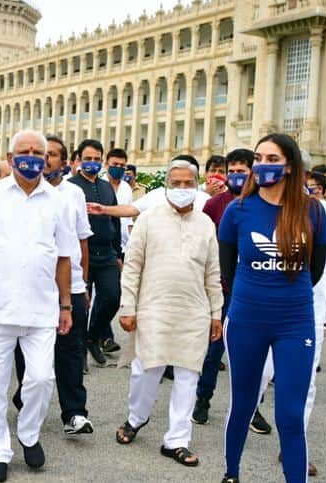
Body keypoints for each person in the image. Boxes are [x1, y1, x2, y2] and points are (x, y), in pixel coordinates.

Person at [0, 130, 75, 483]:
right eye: (25, 151)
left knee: (40, 378)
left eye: (40, 151)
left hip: (42, 309)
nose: (32, 156)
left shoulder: (57, 201)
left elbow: (64, 257)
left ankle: (29, 433)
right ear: (10, 155)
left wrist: (66, 306)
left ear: (49, 157)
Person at [219, 134, 326, 483]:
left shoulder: (313, 211)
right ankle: (231, 474)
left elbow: (315, 270)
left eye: (272, 158)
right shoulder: (237, 211)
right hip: (246, 320)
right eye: (258, 157)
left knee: (291, 415)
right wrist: (252, 298)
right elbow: (228, 270)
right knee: (244, 404)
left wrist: (282, 295)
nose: (262, 165)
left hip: (295, 322)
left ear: (290, 166)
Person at [115, 159, 223, 469]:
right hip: (153, 308)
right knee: (145, 371)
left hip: (194, 312)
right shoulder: (149, 219)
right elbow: (133, 266)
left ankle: (176, 440)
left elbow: (212, 272)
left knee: (188, 375)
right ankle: (136, 418)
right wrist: (128, 306)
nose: (181, 189)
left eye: (188, 183)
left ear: (197, 185)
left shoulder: (205, 224)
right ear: (166, 187)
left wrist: (216, 313)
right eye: (175, 183)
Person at [13, 135, 94, 436]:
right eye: (43, 155)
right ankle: (26, 399)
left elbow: (82, 240)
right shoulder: (20, 193)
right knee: (27, 346)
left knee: (70, 349)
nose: (46, 161)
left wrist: (82, 281)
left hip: (69, 283)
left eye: (53, 155)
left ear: (63, 160)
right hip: (34, 283)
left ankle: (74, 413)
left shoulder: (73, 194)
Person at [192, 149, 261, 427]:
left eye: (241, 172)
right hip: (222, 288)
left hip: (255, 288)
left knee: (253, 352)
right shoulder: (214, 205)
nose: (235, 176)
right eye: (231, 171)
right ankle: (202, 400)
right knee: (214, 349)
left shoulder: (264, 203)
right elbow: (205, 246)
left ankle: (253, 409)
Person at [67, 140, 122, 366]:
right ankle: (77, 352)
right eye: (87, 159)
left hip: (107, 253)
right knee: (81, 306)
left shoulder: (107, 186)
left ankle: (93, 337)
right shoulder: (71, 186)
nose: (92, 163)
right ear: (79, 160)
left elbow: (115, 219)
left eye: (97, 159)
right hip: (82, 254)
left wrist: (118, 253)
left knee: (112, 298)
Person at [100, 147, 133, 354]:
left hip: (122, 245)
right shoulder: (101, 186)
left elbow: (128, 218)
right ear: (107, 164)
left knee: (112, 293)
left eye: (122, 166)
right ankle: (104, 337)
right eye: (114, 165)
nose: (118, 169)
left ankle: (100, 335)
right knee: (104, 294)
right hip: (103, 245)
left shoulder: (126, 189)